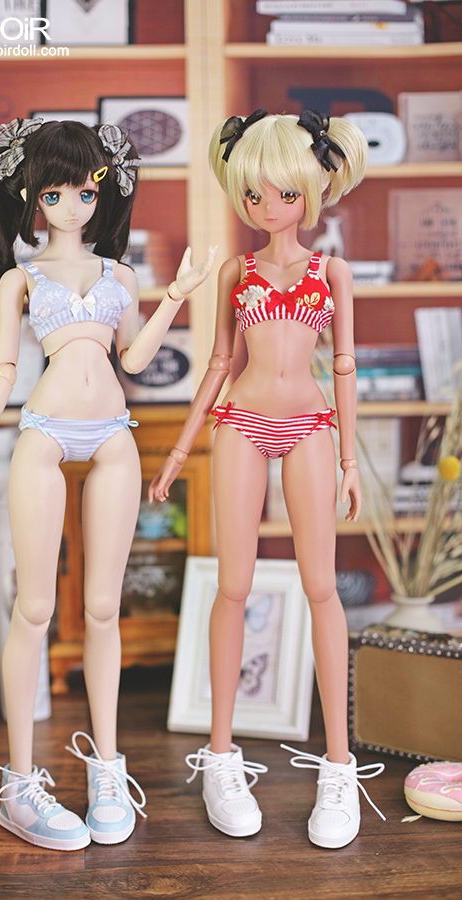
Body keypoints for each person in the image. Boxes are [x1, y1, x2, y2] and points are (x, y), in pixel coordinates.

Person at [0, 116, 216, 850]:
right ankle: (20, 785)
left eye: (84, 192)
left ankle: (107, 770)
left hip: (114, 437)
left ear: (102, 192)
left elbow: (136, 359)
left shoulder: (120, 275)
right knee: (34, 607)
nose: (70, 206)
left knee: (102, 608)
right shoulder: (22, 280)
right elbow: (3, 373)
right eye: (53, 194)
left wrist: (177, 295)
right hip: (45, 434)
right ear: (31, 197)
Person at [149, 109, 384, 849]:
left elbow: (343, 365)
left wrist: (350, 460)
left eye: (283, 193)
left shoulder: (331, 272)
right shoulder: (236, 271)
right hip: (242, 424)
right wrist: (180, 450)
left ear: (312, 191)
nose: (266, 207)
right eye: (253, 194)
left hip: (311, 425)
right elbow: (220, 364)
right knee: (233, 585)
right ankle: (221, 758)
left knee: (322, 587)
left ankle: (339, 765)